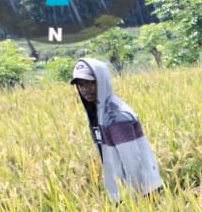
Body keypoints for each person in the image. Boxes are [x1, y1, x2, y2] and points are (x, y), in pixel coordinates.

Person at [70, 58, 163, 201]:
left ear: (102, 81)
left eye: (90, 83)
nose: (85, 89)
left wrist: (135, 201)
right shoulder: (97, 113)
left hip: (142, 193)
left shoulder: (115, 115)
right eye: (81, 84)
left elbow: (132, 162)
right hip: (123, 192)